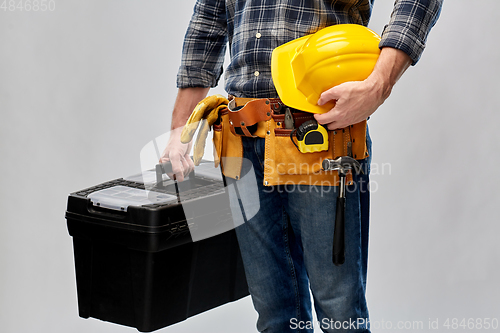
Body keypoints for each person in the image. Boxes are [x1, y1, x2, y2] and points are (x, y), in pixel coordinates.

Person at [161, 1, 442, 332]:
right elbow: (208, 20)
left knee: (341, 317)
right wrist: (181, 131)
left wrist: (380, 82)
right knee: (276, 317)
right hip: (240, 143)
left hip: (320, 139)